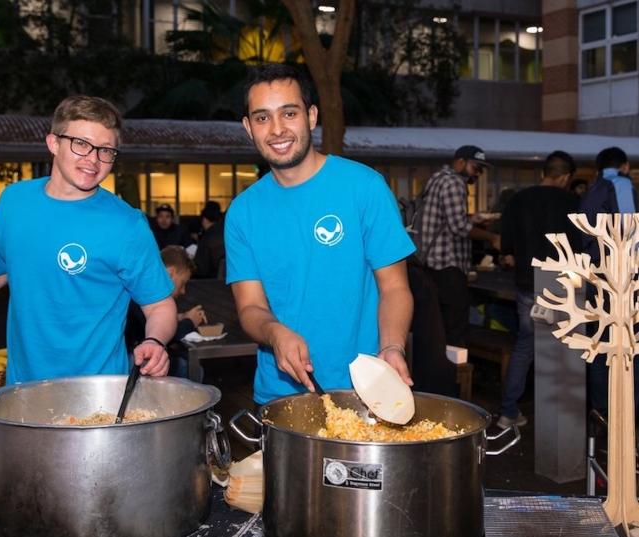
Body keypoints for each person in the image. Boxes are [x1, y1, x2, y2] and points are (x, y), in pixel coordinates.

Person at [0, 95, 177, 383]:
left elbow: (160, 306)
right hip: (23, 389)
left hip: (97, 392)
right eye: (81, 144)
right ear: (53, 143)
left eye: (106, 150)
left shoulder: (127, 225)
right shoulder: (15, 201)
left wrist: (155, 341)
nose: (93, 159)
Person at [225, 63, 415, 405]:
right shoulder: (242, 212)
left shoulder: (364, 187)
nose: (277, 129)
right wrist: (274, 332)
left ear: (311, 116)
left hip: (364, 388)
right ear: (248, 128)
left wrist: (392, 346)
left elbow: (395, 287)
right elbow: (250, 306)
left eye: (289, 113)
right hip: (281, 394)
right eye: (263, 118)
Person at [497, 151, 579, 429]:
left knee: (525, 346)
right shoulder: (574, 202)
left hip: (528, 283)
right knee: (563, 349)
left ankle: (508, 412)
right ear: (566, 177)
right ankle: (559, 420)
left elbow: (505, 246)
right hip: (563, 284)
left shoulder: (519, 199)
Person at [419, 145, 500, 347]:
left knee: (436, 327)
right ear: (460, 162)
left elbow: (445, 218)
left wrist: (474, 219)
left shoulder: (438, 178)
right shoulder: (454, 183)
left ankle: (437, 371)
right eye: (476, 167)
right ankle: (454, 373)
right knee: (454, 328)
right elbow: (459, 227)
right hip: (448, 266)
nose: (478, 174)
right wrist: (491, 237)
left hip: (430, 264)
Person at [580, 146, 639, 414]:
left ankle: (601, 409)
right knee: (628, 346)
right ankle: (626, 411)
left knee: (600, 343)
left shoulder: (592, 190)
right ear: (624, 166)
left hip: (596, 277)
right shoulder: (620, 183)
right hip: (620, 279)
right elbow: (628, 232)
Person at [125, 246, 207, 377]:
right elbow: (162, 337)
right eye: (182, 283)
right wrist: (189, 322)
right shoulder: (143, 293)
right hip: (129, 358)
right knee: (190, 369)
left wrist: (179, 317)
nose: (183, 291)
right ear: (170, 273)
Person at [193, 201, 226, 278]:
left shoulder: (207, 237)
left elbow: (200, 268)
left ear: (204, 219)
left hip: (209, 283)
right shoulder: (226, 233)